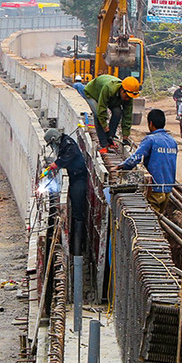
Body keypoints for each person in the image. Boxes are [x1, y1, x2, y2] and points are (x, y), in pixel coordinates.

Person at [118, 108, 177, 205]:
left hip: (155, 188)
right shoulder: (172, 141)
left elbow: (135, 158)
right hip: (168, 188)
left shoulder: (150, 140)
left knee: (153, 215)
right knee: (159, 216)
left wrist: (121, 167)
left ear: (151, 123)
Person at [46, 128, 89, 256]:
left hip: (79, 179)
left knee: (77, 213)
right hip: (73, 178)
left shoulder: (68, 144)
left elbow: (69, 156)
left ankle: (78, 251)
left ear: (54, 139)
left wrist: (56, 164)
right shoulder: (63, 144)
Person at [84, 73, 139, 151]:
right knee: (97, 114)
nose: (127, 99)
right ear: (122, 90)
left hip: (111, 98)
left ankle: (111, 138)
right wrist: (106, 130)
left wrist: (125, 137)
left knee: (118, 112)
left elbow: (127, 116)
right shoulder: (109, 89)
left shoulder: (128, 97)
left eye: (129, 97)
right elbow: (102, 111)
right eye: (126, 96)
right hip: (93, 94)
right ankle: (104, 144)